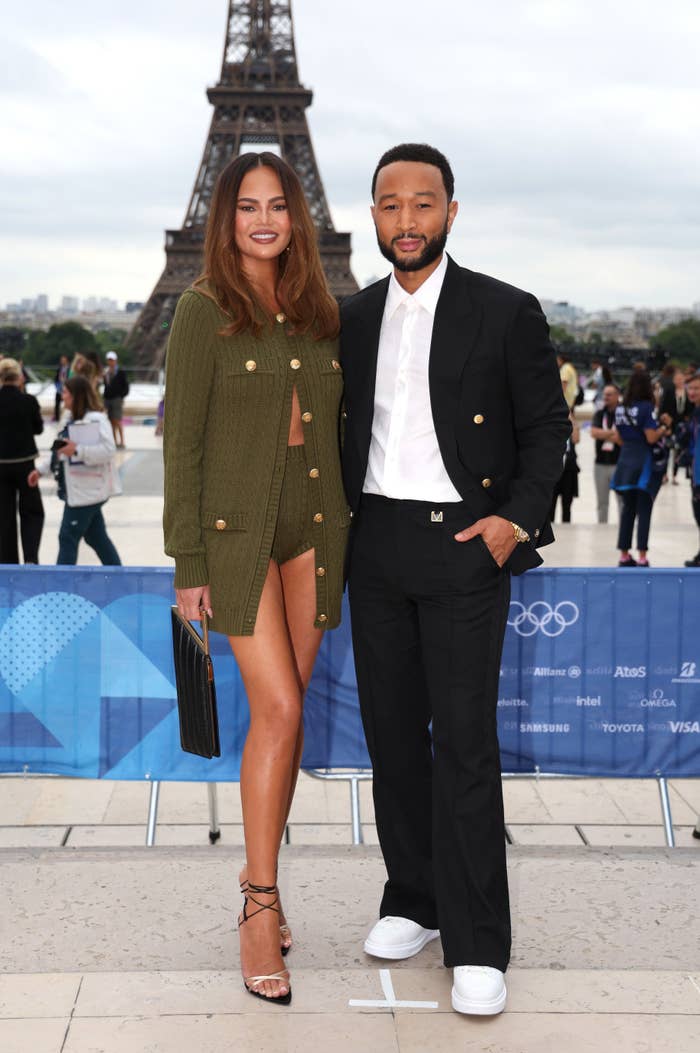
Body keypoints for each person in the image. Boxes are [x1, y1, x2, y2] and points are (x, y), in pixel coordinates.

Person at [340, 143, 570, 1017]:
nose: (407, 220)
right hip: (377, 544)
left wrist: (514, 521)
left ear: (451, 211)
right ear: (372, 216)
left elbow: (547, 425)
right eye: (391, 205)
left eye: (423, 203)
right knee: (392, 738)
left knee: (465, 744)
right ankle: (414, 898)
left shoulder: (505, 311)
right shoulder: (351, 318)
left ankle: (479, 938)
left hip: (466, 542)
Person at [163, 152, 347, 1007]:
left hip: (314, 526)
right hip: (236, 537)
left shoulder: (317, 313)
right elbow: (183, 445)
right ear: (224, 217)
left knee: (293, 706)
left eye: (278, 205)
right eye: (248, 206)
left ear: (296, 218)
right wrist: (188, 563)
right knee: (277, 708)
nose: (264, 219)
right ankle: (259, 904)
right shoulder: (203, 311)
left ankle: (257, 875)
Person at [53, 376, 122, 566]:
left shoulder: (97, 419)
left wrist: (78, 450)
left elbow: (109, 450)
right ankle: (119, 577)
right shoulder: (69, 419)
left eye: (66, 392)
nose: (62, 395)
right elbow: (60, 451)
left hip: (87, 492)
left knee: (67, 537)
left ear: (76, 396)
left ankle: (61, 589)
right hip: (79, 490)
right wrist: (41, 470)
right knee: (96, 538)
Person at [611, 370, 672, 567]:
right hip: (643, 464)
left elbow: (617, 438)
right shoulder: (646, 408)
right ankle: (643, 555)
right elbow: (651, 438)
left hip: (625, 462)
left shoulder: (620, 408)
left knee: (627, 509)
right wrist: (664, 428)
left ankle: (624, 554)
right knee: (644, 509)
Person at [0, 357, 44, 563]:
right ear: (19, 377)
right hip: (25, 465)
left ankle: (8, 561)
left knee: (4, 517)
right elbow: (38, 428)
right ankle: (31, 559)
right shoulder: (29, 401)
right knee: (32, 513)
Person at [590, 384, 622, 522]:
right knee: (602, 502)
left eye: (609, 394)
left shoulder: (623, 413)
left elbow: (623, 439)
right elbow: (594, 433)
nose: (606, 397)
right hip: (600, 464)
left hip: (619, 463)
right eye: (605, 394)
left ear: (617, 396)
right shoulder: (600, 413)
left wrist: (604, 434)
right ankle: (602, 528)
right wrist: (613, 433)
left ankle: (624, 529)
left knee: (622, 500)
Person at [682, 372, 700, 567]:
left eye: (696, 388)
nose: (692, 392)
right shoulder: (695, 413)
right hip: (696, 472)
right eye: (690, 389)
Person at [550, 411, 580, 523]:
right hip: (553, 468)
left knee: (567, 503)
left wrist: (570, 417)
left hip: (569, 469)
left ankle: (567, 524)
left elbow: (576, 439)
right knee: (551, 504)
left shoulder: (571, 429)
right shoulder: (553, 428)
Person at [103, 351, 129, 449]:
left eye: (112, 360)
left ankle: (122, 441)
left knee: (117, 420)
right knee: (111, 421)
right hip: (108, 399)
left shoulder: (120, 372)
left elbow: (126, 386)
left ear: (115, 360)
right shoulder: (106, 372)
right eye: (109, 360)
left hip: (116, 399)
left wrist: (121, 396)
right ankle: (114, 441)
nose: (110, 362)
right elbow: (106, 385)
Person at [54, 355, 69, 422]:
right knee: (57, 403)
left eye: (64, 360)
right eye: (61, 360)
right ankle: (57, 418)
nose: (62, 361)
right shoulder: (59, 368)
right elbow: (56, 379)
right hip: (60, 388)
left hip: (67, 388)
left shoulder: (69, 368)